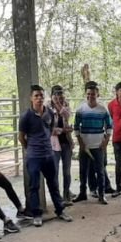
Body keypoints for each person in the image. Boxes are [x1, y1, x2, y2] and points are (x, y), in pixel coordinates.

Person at [19, 85, 73, 227]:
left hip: (48, 155)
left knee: (53, 184)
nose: (39, 98)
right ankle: (37, 214)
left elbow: (50, 130)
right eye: (36, 96)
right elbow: (21, 137)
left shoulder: (49, 112)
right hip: (34, 157)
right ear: (31, 98)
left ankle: (60, 210)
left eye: (41, 96)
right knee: (34, 186)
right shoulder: (26, 116)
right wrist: (30, 148)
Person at [73, 81, 114, 205]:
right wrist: (81, 143)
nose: (91, 96)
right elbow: (76, 127)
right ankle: (82, 193)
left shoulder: (103, 109)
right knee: (82, 171)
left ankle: (101, 195)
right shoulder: (80, 109)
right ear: (86, 94)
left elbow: (109, 127)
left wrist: (106, 141)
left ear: (98, 95)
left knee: (100, 171)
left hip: (98, 146)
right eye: (89, 94)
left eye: (93, 94)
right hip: (85, 146)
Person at [48, 85, 75, 202]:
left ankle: (66, 194)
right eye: (56, 94)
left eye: (61, 93)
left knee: (67, 171)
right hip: (54, 145)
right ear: (52, 95)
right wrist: (63, 130)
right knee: (54, 171)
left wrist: (59, 104)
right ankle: (57, 197)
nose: (59, 96)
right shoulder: (47, 108)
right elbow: (50, 129)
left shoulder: (66, 105)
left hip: (66, 142)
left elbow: (67, 115)